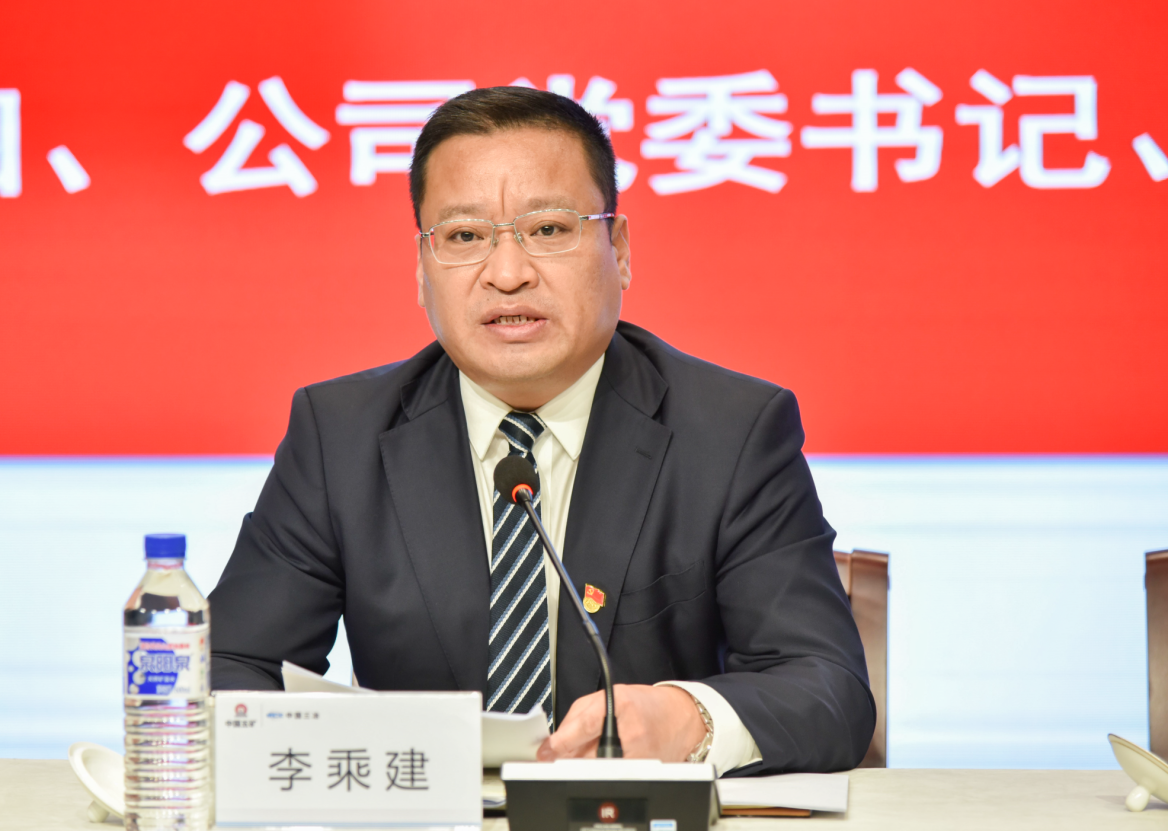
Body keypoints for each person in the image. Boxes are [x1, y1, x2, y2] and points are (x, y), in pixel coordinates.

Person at [208, 87, 874, 774]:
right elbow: (228, 666)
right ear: (422, 269)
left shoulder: (732, 433)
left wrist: (687, 719)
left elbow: (826, 687)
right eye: (464, 237)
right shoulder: (339, 437)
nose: (507, 274)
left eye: (550, 230)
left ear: (619, 249)